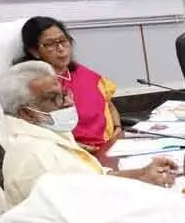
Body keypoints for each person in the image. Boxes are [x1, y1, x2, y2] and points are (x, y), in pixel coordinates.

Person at [0, 61, 176, 206]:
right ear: (27, 113)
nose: (67, 103)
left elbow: (93, 179)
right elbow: (86, 214)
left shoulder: (46, 129)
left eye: (65, 93)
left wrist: (142, 174)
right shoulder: (37, 158)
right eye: (53, 98)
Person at [18, 17, 121, 151]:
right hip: (72, 154)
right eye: (50, 44)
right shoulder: (37, 87)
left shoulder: (84, 74)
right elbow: (33, 128)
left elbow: (109, 104)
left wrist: (118, 128)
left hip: (113, 147)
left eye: (63, 41)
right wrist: (72, 146)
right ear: (34, 51)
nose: (60, 48)